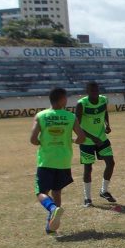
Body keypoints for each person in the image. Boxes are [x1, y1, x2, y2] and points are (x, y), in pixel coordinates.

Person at [30, 87, 85, 234]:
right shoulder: (70, 117)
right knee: (57, 192)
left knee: (40, 192)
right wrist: (72, 140)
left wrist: (43, 143)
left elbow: (33, 139)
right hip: (63, 161)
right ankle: (51, 225)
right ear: (61, 99)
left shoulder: (41, 116)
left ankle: (52, 209)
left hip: (46, 160)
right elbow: (81, 137)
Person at [75, 81, 116, 206]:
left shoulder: (103, 100)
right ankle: (87, 198)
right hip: (87, 141)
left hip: (101, 138)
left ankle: (104, 191)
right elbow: (76, 125)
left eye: (97, 90)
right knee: (88, 168)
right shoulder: (82, 104)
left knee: (111, 163)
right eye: (92, 91)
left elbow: (105, 112)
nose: (95, 93)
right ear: (87, 92)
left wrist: (107, 125)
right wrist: (92, 137)